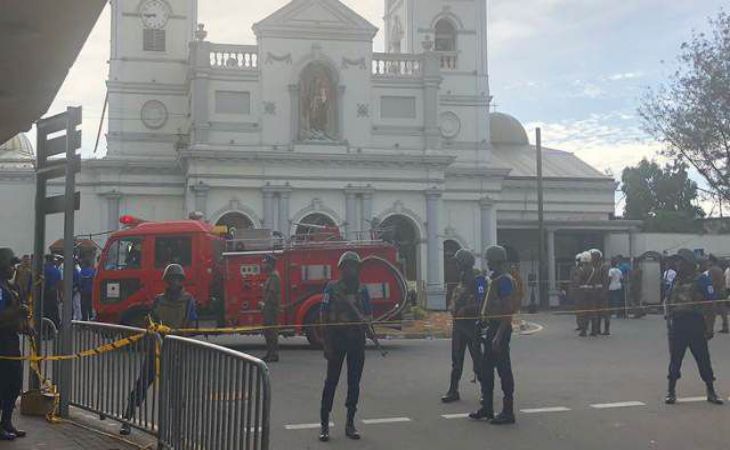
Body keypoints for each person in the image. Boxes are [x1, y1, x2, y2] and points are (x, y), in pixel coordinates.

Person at [120, 264, 197, 435]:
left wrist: (179, 333)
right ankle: (127, 419)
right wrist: (150, 327)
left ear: (181, 281)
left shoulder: (188, 300)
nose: (173, 283)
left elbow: (191, 326)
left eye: (176, 279)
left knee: (175, 392)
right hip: (155, 349)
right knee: (141, 385)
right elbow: (150, 320)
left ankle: (176, 429)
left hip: (175, 350)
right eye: (170, 279)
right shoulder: (158, 300)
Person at [318, 251, 371, 442]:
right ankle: (324, 424)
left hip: (356, 341)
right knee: (331, 383)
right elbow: (323, 315)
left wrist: (368, 327)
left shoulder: (362, 290)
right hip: (337, 340)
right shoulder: (331, 288)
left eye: (354, 266)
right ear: (341, 269)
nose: (351, 270)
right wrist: (326, 343)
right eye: (347, 266)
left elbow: (368, 313)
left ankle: (350, 423)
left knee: (354, 384)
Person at [663, 249, 723, 406]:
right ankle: (671, 391)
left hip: (696, 324)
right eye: (677, 261)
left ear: (689, 263)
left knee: (703, 359)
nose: (677, 264)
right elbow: (668, 300)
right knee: (675, 360)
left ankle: (711, 391)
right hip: (678, 325)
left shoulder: (701, 279)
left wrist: (710, 327)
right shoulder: (675, 280)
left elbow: (711, 305)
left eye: (680, 261)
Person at [470, 245, 519, 425]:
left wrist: (498, 336)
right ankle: (487, 408)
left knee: (503, 370)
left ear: (497, 260)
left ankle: (508, 411)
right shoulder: (494, 279)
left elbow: (507, 310)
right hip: (490, 327)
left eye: (489, 259)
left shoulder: (505, 280)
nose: (487, 262)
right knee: (486, 369)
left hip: (500, 329)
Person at [441, 249, 483, 403]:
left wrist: (466, 309)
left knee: (478, 360)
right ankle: (453, 390)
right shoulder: (462, 279)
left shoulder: (477, 280)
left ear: (464, 263)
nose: (456, 265)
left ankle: (485, 393)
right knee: (456, 361)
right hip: (459, 325)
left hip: (471, 325)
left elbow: (481, 303)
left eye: (458, 262)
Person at [0, 248, 30, 440]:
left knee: (14, 385)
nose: (14, 268)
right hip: (1, 346)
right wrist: (18, 311)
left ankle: (7, 421)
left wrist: (25, 327)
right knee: (3, 386)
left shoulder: (10, 288)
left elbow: (14, 318)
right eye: (11, 264)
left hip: (12, 344)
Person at [260, 254, 281, 362]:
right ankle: (270, 353)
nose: (263, 265)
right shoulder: (270, 276)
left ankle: (273, 354)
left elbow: (272, 294)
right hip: (268, 309)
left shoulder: (274, 277)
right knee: (268, 332)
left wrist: (264, 304)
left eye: (264, 263)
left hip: (271, 309)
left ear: (270, 264)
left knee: (271, 332)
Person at [573, 252, 597, 337]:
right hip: (592, 292)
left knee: (583, 312)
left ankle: (583, 331)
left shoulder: (581, 270)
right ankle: (594, 330)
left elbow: (577, 282)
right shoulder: (594, 269)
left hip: (583, 293)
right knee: (592, 311)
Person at [590, 249, 611, 336]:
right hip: (595, 292)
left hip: (602, 292)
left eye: (594, 257)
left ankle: (606, 330)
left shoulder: (603, 267)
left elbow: (606, 281)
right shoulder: (594, 267)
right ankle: (597, 329)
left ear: (598, 258)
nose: (592, 258)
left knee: (604, 312)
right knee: (595, 312)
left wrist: (604, 293)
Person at [706, 255, 728, 334]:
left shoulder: (711, 270)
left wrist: (709, 291)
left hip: (716, 291)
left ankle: (710, 329)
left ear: (711, 261)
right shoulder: (720, 269)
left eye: (708, 261)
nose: (707, 262)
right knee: (723, 310)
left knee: (712, 311)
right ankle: (726, 326)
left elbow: (711, 282)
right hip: (722, 290)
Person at [42, 254, 62, 328]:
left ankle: (46, 330)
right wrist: (60, 295)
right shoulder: (57, 271)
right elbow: (59, 284)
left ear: (47, 260)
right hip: (53, 293)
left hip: (45, 293)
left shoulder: (43, 270)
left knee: (45, 312)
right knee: (54, 311)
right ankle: (55, 327)